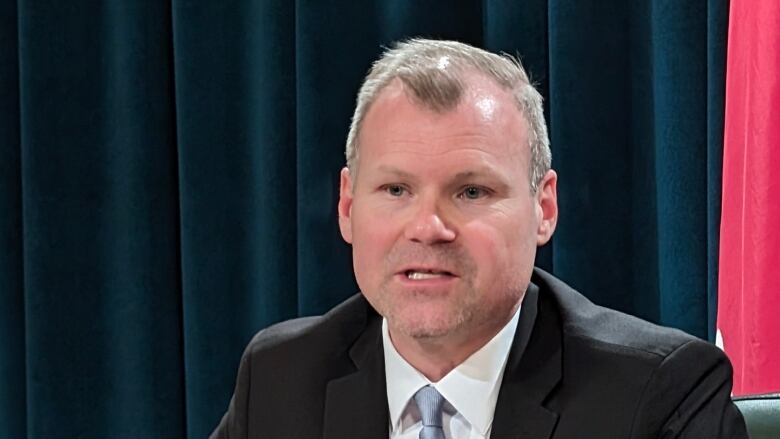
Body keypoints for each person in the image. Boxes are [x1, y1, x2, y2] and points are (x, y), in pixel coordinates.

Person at [211, 39, 747, 438]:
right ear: (348, 206)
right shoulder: (281, 378)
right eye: (396, 189)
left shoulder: (658, 394)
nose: (427, 228)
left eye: (470, 192)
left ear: (544, 208)